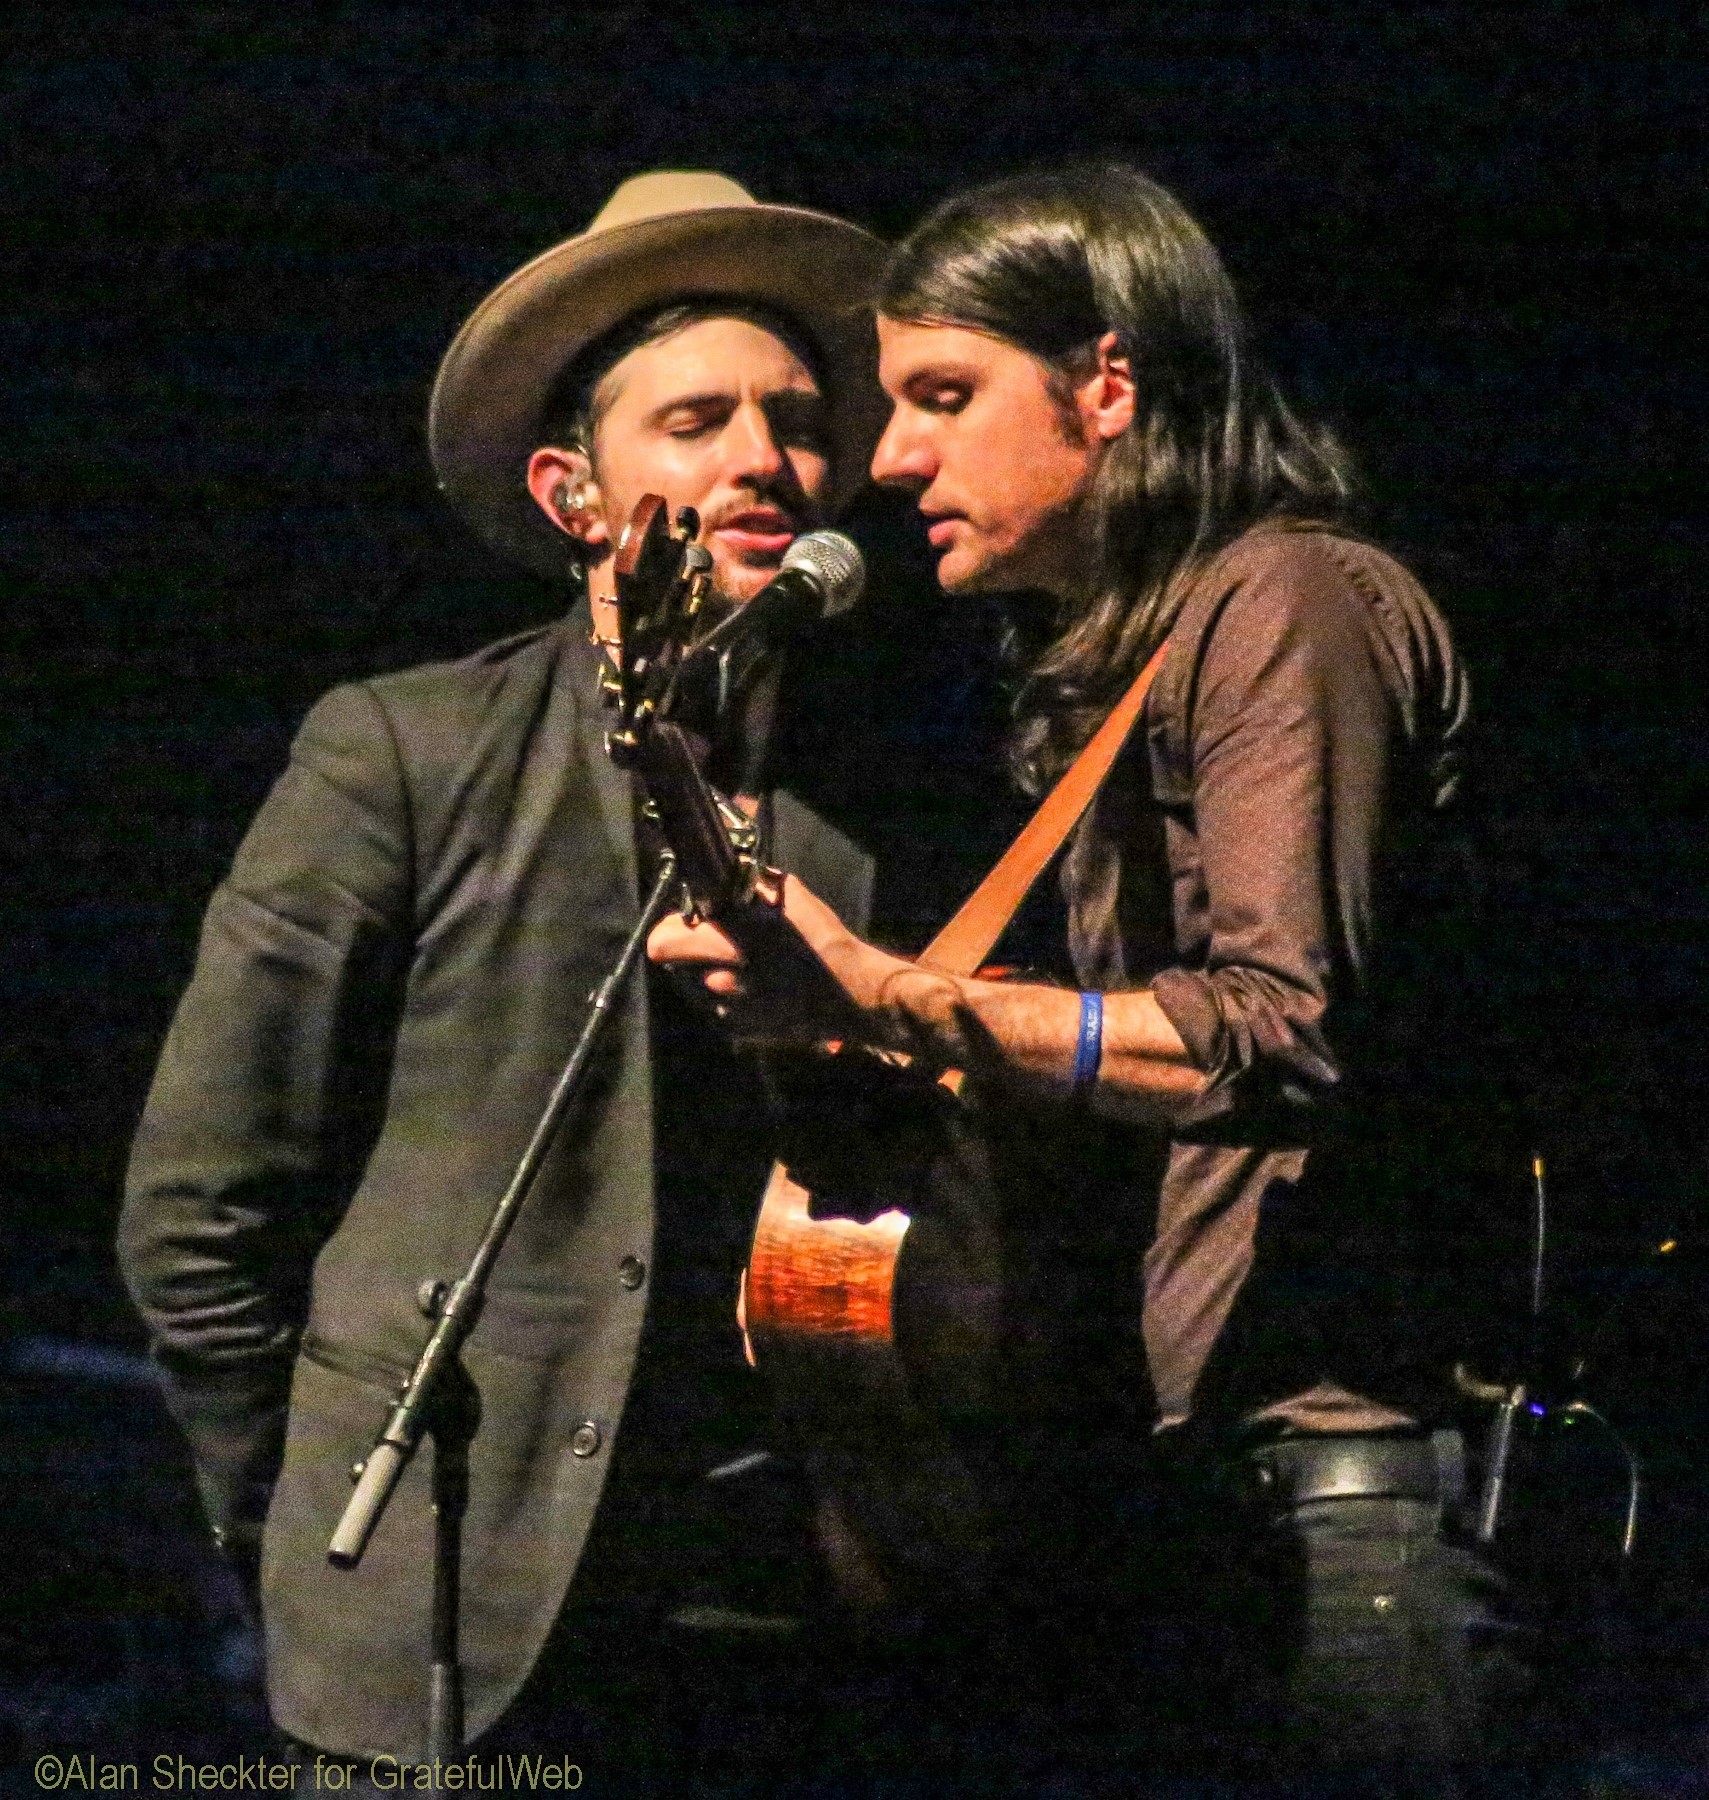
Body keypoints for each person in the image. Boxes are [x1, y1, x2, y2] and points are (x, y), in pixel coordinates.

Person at [650, 165, 1531, 1790]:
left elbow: (1276, 1035)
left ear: (1107, 385)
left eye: (942, 396)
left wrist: (890, 998)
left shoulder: (1288, 600)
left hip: (1354, 1504)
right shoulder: (1150, 652)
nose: (891, 456)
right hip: (1228, 1497)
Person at [118, 171, 887, 1778]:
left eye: (799, 422)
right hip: (435, 1611)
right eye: (696, 421)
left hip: (763, 1615)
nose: (763, 459)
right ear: (572, 492)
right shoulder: (402, 751)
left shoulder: (881, 820)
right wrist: (293, 1516)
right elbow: (201, 1205)